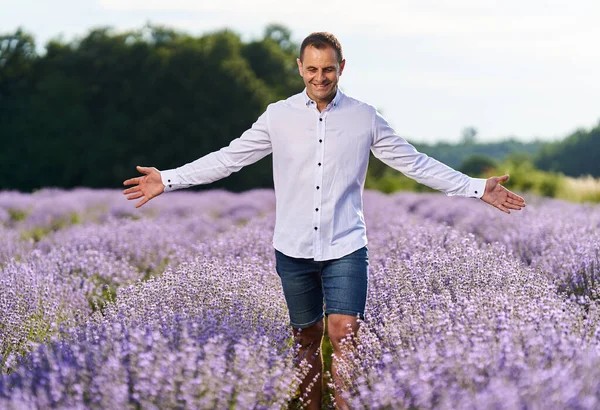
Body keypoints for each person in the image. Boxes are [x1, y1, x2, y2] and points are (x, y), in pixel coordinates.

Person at [123, 32, 526, 410]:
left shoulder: (364, 117)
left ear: (341, 68)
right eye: (312, 69)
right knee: (305, 340)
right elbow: (229, 159)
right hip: (293, 248)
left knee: (345, 336)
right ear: (300, 67)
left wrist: (476, 188)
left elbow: (415, 163)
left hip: (345, 246)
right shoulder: (277, 116)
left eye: (328, 69)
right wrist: (169, 179)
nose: (320, 77)